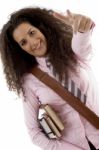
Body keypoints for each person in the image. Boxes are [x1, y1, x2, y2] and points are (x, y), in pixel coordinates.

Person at [0, 7, 99, 150]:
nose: (33, 42)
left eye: (32, 33)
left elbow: (83, 48)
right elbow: (34, 133)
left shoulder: (71, 52)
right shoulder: (29, 81)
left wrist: (82, 29)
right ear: (20, 49)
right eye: (24, 42)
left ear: (41, 28)